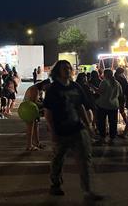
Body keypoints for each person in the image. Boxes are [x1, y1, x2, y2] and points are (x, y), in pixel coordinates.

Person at [44, 60, 102, 201]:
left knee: (85, 159)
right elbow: (48, 112)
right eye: (65, 68)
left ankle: (87, 190)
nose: (68, 70)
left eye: (69, 68)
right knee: (58, 159)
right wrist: (53, 132)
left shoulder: (75, 86)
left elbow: (80, 106)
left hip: (77, 128)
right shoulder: (53, 88)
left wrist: (88, 126)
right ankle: (55, 183)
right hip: (61, 130)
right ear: (58, 71)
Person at [95, 69, 122, 145]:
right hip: (114, 105)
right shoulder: (117, 83)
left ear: (105, 74)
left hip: (104, 105)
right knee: (113, 123)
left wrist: (92, 87)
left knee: (102, 122)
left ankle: (102, 138)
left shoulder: (104, 82)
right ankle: (112, 139)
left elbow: (100, 92)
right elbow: (120, 94)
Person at [23, 81, 47, 150]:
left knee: (36, 126)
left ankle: (37, 143)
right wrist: (44, 104)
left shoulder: (38, 89)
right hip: (28, 110)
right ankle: (29, 145)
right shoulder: (35, 89)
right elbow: (34, 102)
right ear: (43, 85)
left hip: (31, 109)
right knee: (30, 128)